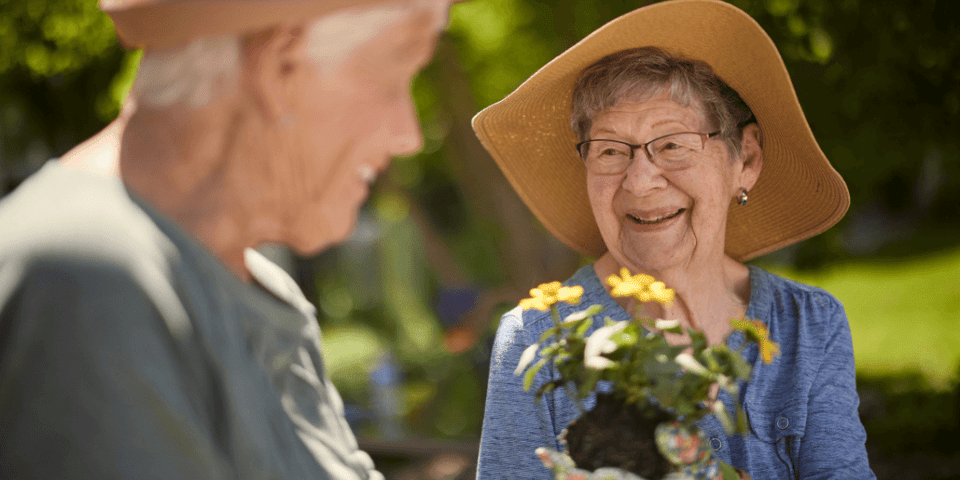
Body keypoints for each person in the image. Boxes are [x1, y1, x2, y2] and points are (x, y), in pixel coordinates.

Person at [0, 0, 454, 477]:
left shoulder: (263, 290)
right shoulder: (87, 280)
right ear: (278, 66)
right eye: (393, 78)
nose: (409, 135)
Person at [473, 1, 875, 478]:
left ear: (744, 160)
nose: (639, 181)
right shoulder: (538, 338)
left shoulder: (809, 324)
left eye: (672, 144)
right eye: (609, 150)